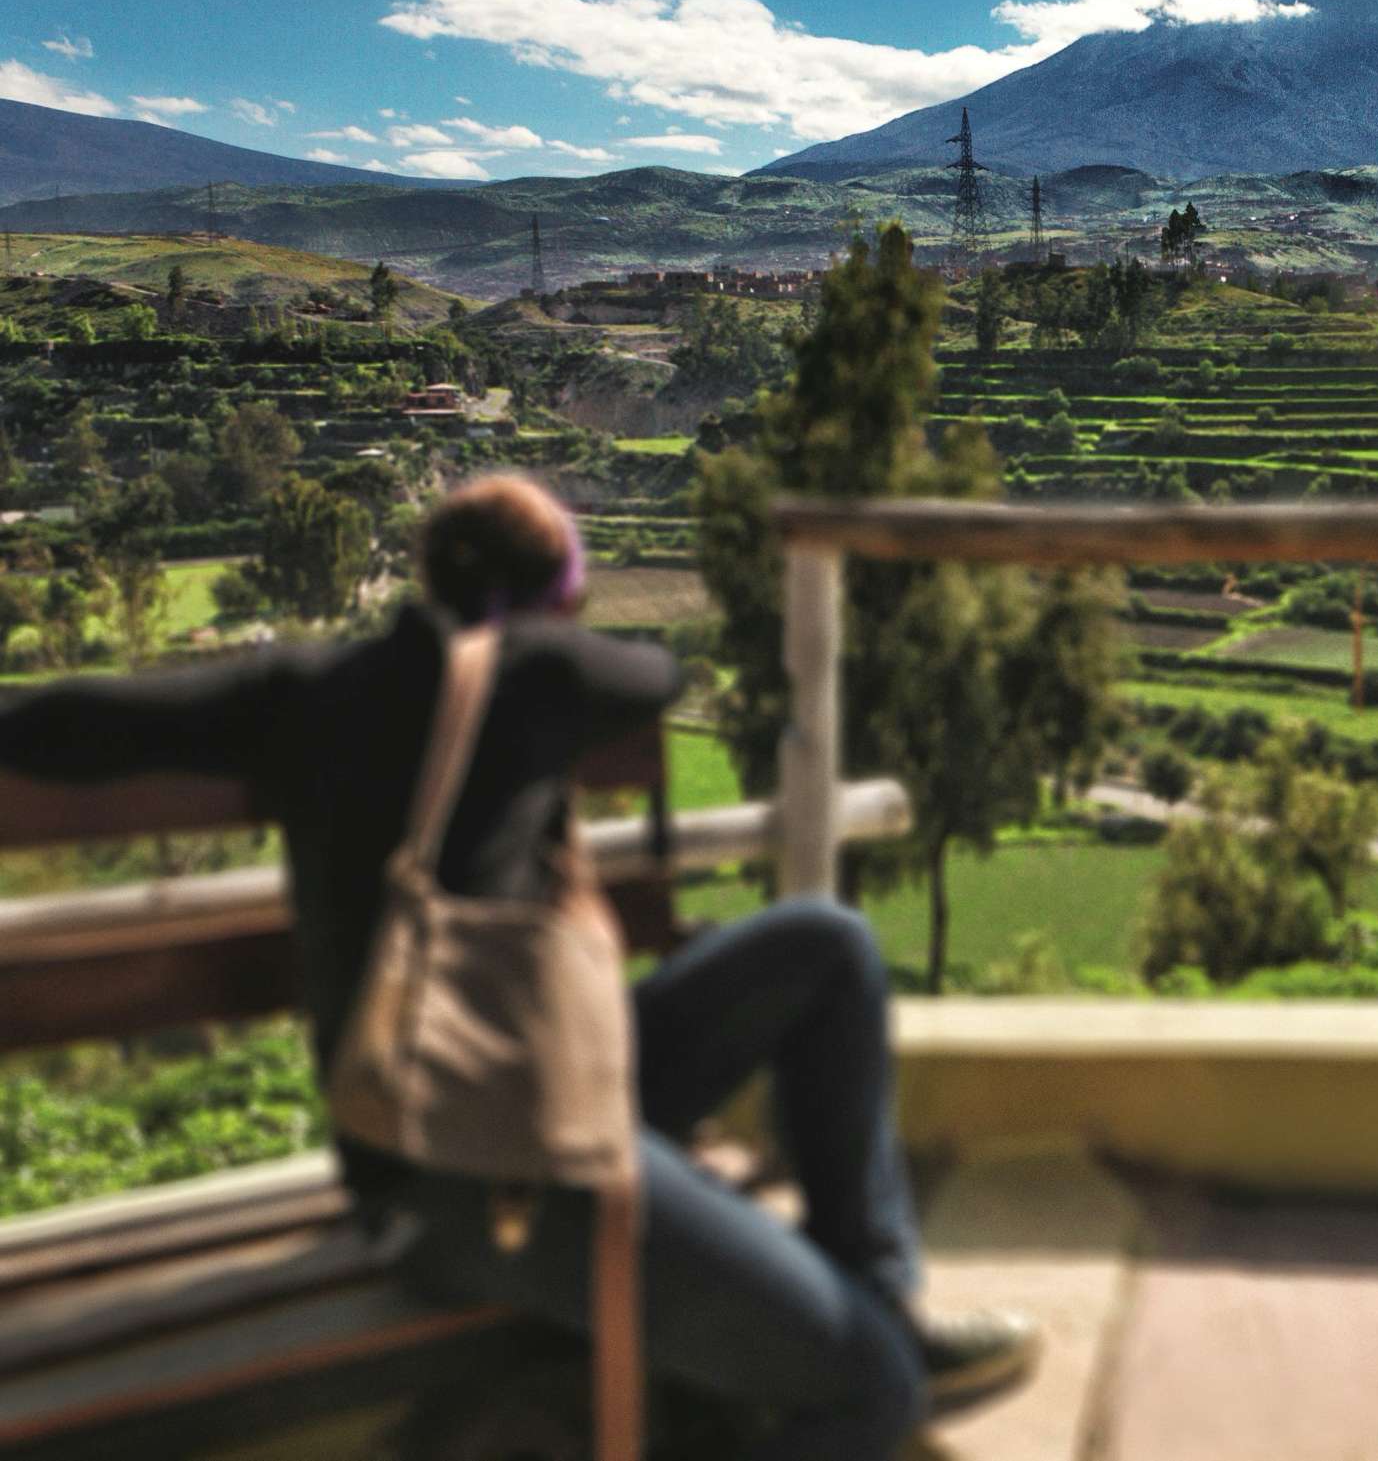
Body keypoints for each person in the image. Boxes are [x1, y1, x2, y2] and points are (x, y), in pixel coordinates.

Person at [0, 473, 1031, 1458]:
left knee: (824, 947)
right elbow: (656, 674)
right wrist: (553, 627)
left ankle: (873, 1293)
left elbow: (66, 724)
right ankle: (869, 1342)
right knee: (875, 1388)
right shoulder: (549, 675)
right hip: (478, 1176)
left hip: (450, 1127)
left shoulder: (303, 690)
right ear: (556, 595)